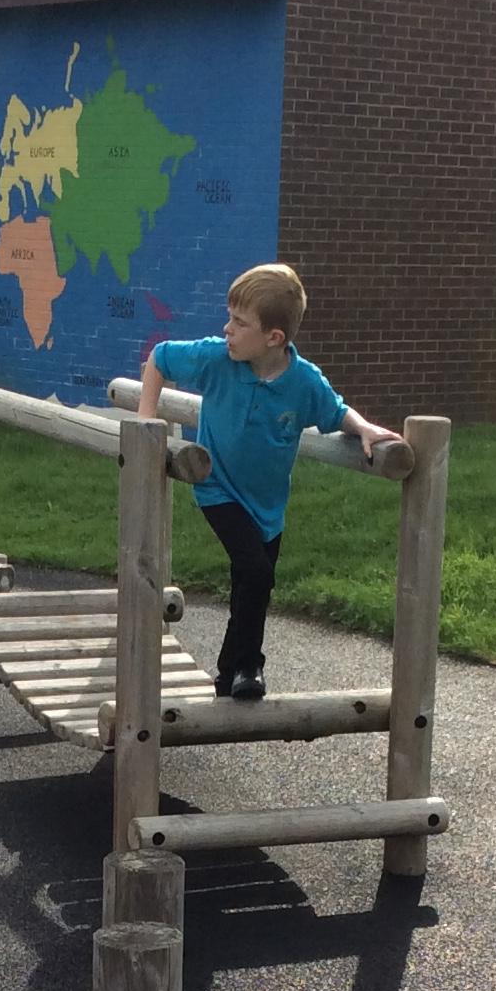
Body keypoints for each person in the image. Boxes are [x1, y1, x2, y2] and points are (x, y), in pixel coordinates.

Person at [139, 264, 394, 701]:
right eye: (230, 318)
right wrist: (147, 421)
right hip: (217, 487)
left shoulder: (303, 381)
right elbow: (160, 358)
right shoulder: (217, 357)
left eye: (240, 323)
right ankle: (249, 664)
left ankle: (230, 677)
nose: (228, 329)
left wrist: (365, 428)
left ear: (274, 338)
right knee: (256, 571)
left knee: (251, 585)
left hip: (267, 506)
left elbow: (335, 412)